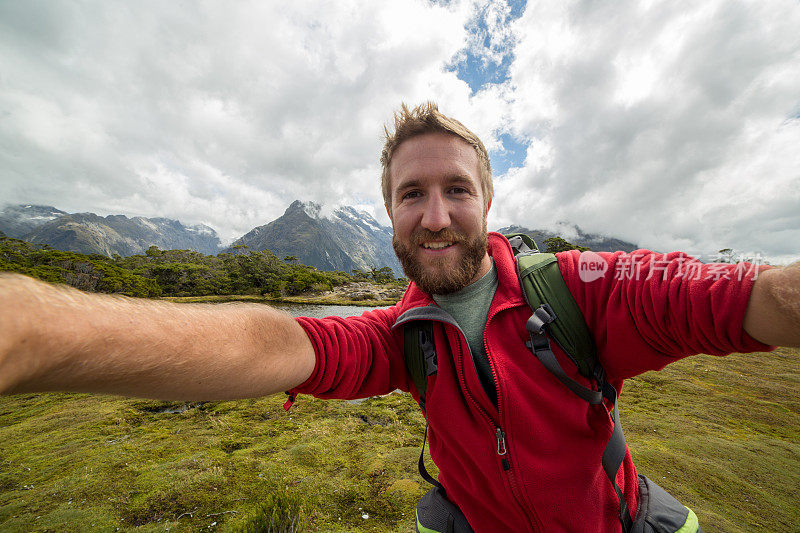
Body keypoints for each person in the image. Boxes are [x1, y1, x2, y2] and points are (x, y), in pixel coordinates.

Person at [0, 102, 798, 532]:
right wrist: (32, 332)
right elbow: (287, 342)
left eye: (456, 188)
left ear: (489, 200)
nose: (436, 214)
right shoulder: (399, 334)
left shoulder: (586, 290)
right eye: (411, 194)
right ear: (388, 213)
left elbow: (749, 296)